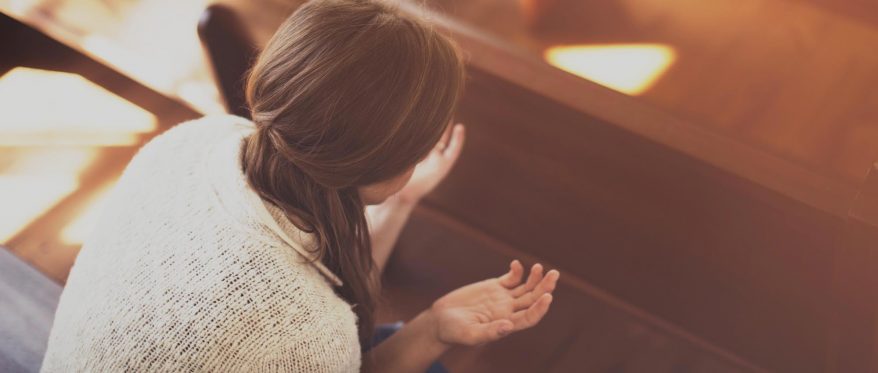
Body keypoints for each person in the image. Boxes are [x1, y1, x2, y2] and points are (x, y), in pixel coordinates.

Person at [41, 0, 560, 372]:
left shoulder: (198, 139)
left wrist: (433, 320)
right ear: (383, 162)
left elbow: (319, 276)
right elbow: (318, 323)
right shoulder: (306, 334)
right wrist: (429, 335)